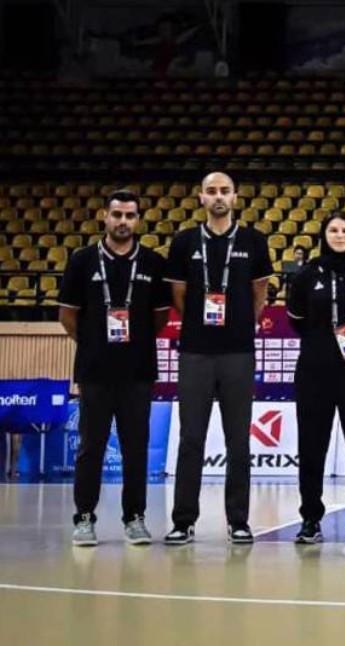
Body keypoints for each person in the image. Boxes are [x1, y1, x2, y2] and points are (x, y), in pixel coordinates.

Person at [163, 172, 272, 545]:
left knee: (237, 440)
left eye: (225, 191)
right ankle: (183, 520)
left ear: (236, 197)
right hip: (195, 351)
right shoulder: (184, 242)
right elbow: (179, 295)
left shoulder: (254, 241)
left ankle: (238, 520)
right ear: (201, 198)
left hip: (238, 352)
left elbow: (260, 293)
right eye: (212, 191)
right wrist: (199, 321)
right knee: (191, 438)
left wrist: (242, 323)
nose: (219, 196)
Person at [58, 189, 171, 546]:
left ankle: (135, 518)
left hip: (138, 371)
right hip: (94, 371)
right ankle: (85, 517)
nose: (123, 221)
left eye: (130, 215)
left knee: (136, 446)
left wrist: (131, 345)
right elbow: (68, 316)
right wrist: (94, 345)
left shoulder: (153, 262)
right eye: (117, 214)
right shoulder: (82, 260)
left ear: (138, 220)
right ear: (104, 217)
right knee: (91, 446)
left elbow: (160, 318)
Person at [287, 213, 345, 545]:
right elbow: (296, 319)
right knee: (312, 447)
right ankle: (311, 518)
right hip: (315, 371)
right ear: (323, 234)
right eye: (333, 230)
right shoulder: (306, 275)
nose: (339, 235)